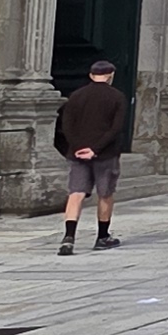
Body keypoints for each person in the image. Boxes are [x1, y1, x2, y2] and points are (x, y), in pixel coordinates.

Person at [55, 59, 133, 254]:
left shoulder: (76, 96)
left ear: (91, 75)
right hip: (105, 154)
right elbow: (116, 128)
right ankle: (102, 236)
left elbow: (66, 126)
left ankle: (68, 237)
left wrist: (78, 147)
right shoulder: (117, 97)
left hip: (77, 153)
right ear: (111, 76)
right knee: (105, 194)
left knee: (76, 193)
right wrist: (95, 149)